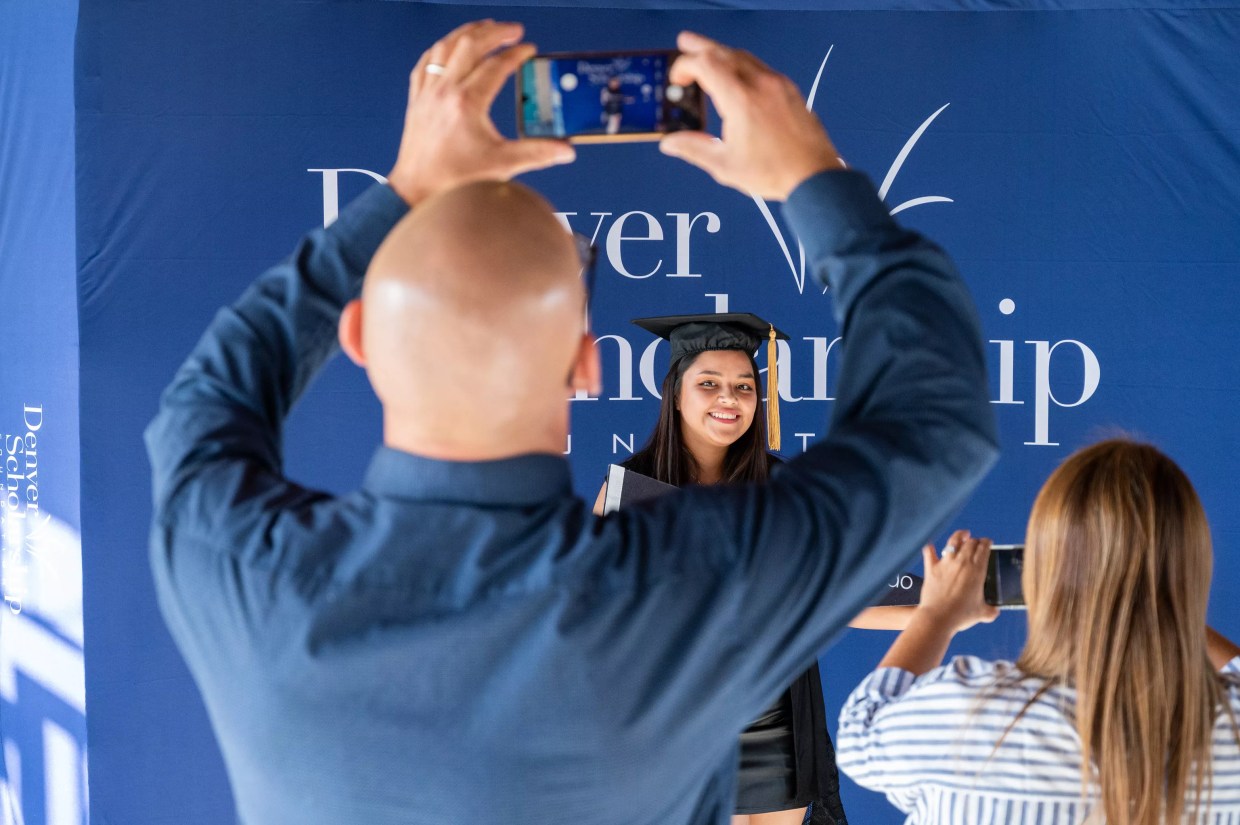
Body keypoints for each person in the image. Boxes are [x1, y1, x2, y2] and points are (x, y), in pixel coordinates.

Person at [145, 19, 998, 825]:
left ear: (358, 338)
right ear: (587, 365)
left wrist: (403, 190)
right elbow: (935, 420)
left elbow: (201, 404)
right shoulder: (698, 578)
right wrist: (812, 175)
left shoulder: (238, 567)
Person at [593, 312, 913, 825]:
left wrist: (942, 609)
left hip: (777, 722)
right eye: (709, 384)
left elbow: (840, 596)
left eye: (745, 386)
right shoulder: (630, 495)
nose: (730, 398)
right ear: (675, 393)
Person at [836, 439, 1240, 824]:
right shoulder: (1229, 726)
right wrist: (1151, 601)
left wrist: (935, 616)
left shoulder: (964, 709)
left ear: (1043, 569)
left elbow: (859, 730)